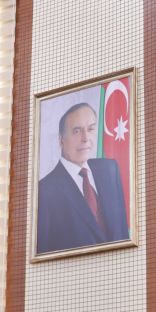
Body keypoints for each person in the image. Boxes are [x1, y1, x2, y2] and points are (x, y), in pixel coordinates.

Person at [37, 103, 129, 253]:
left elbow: (122, 232)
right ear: (61, 140)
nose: (85, 138)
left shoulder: (110, 170)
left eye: (90, 129)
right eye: (77, 131)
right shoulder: (44, 191)